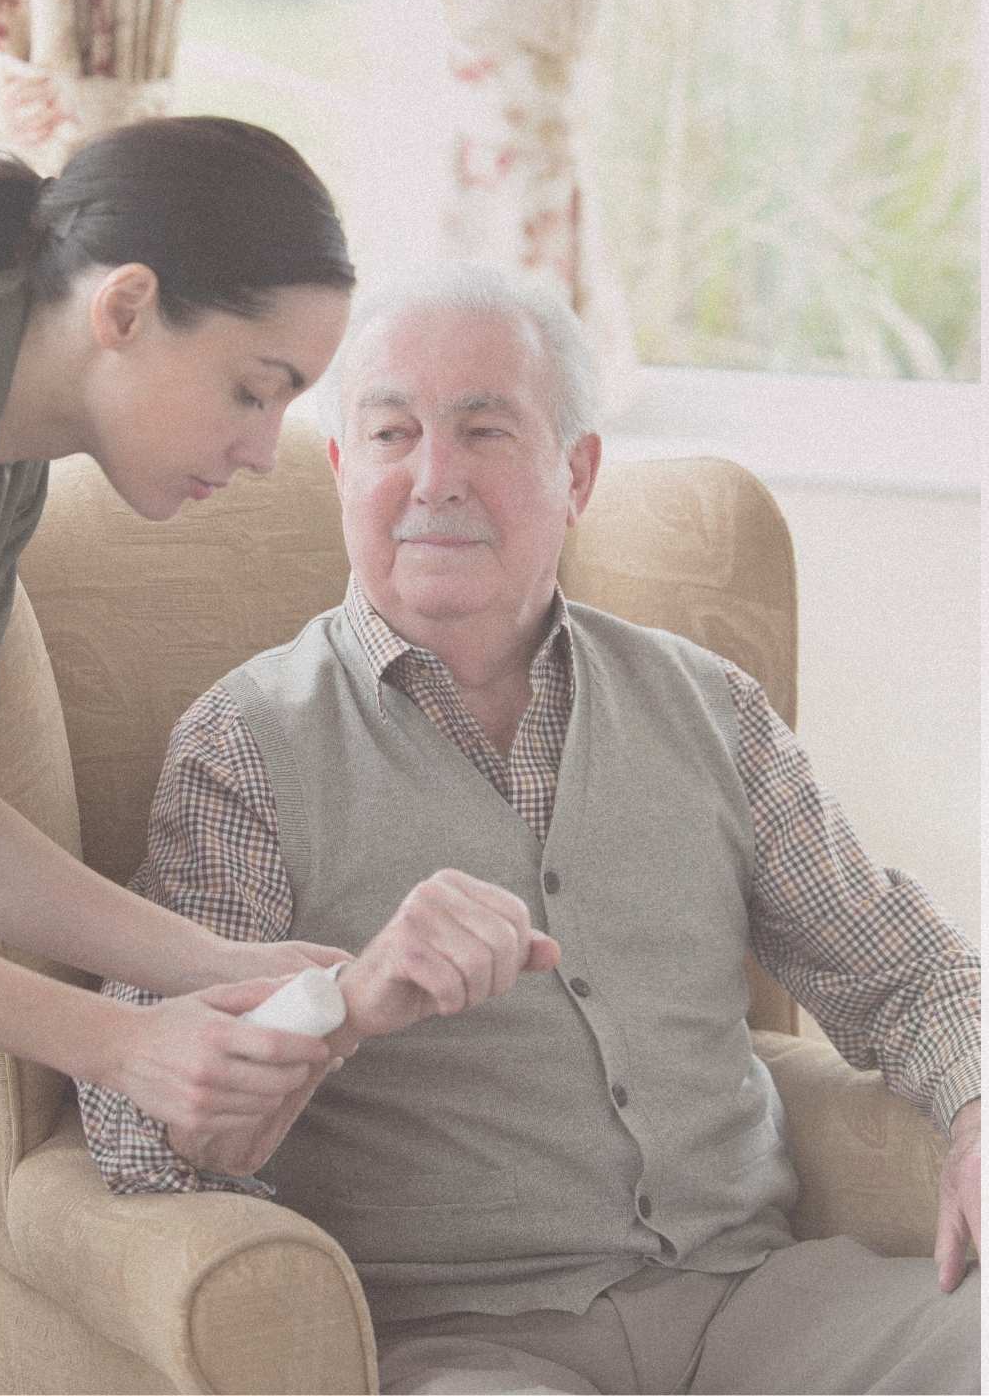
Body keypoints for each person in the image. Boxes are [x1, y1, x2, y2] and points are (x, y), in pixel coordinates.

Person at [79, 263, 980, 1396]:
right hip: (465, 1347)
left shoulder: (709, 707)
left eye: (487, 431)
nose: (434, 480)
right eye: (395, 434)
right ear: (342, 469)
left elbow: (910, 972)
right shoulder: (245, 744)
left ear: (578, 474)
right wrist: (341, 1002)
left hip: (764, 1307)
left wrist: (979, 1108)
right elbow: (134, 1131)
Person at [0, 114, 371, 1148]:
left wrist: (223, 966)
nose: (263, 451)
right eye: (252, 391)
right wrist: (115, 1042)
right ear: (126, 304)